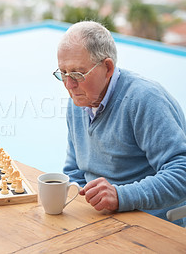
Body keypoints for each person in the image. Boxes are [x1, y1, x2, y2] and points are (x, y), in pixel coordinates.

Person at [53, 21, 186, 227]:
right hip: (100, 222)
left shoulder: (145, 99)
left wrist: (120, 196)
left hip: (150, 226)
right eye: (63, 73)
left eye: (78, 74)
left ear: (107, 68)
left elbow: (182, 174)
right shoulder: (79, 100)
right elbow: (74, 171)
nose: (69, 85)